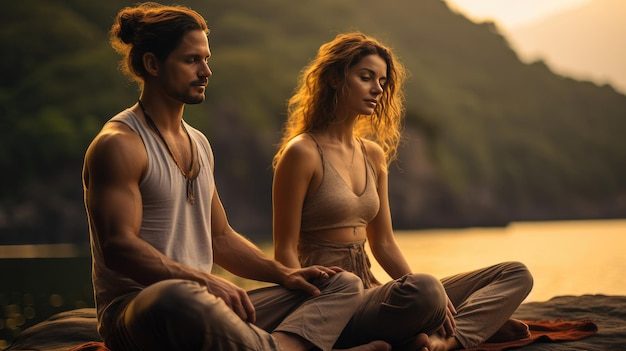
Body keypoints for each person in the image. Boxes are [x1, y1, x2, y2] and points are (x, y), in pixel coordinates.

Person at [82, 4, 392, 351]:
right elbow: (118, 248)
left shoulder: (198, 143)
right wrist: (204, 282)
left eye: (206, 59)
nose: (206, 71)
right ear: (153, 64)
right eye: (192, 60)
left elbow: (221, 237)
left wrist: (285, 274)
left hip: (202, 302)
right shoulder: (120, 144)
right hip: (142, 310)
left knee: (342, 285)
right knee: (176, 296)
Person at [271, 32, 534, 351]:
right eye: (366, 77)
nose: (377, 89)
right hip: (330, 299)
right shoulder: (302, 153)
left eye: (382, 81)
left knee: (515, 274)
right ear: (336, 80)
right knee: (426, 289)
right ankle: (448, 334)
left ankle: (442, 340)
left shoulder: (372, 154)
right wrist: (310, 306)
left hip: (375, 293)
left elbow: (383, 242)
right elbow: (284, 250)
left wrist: (435, 302)